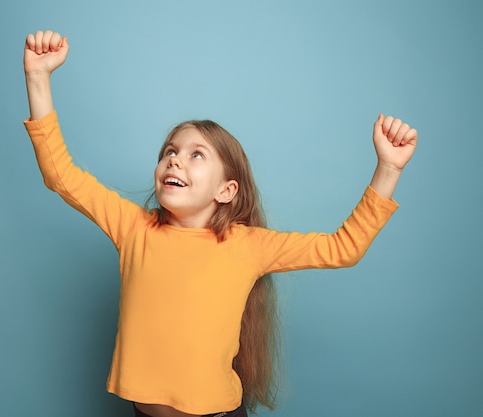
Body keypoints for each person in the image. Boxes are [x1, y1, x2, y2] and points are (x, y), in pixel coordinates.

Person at [22, 30, 418, 417]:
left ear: (226, 190)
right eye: (170, 152)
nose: (175, 159)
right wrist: (38, 77)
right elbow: (61, 175)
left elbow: (342, 248)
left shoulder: (247, 245)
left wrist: (387, 168)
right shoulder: (133, 228)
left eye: (197, 155)